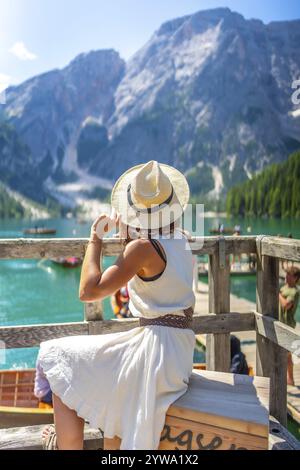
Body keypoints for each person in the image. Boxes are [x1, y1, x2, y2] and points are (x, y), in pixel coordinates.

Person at [34, 160, 196, 450]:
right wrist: (129, 243)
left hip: (155, 354)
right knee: (97, 371)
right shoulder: (182, 240)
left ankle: (66, 445)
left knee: (56, 355)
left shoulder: (143, 248)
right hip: (178, 352)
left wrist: (95, 239)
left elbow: (88, 291)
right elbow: (157, 278)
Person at [279, 266, 300, 386]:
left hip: (287, 325)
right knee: (284, 354)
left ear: (296, 278)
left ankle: (290, 379)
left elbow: (286, 305)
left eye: (289, 275)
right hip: (280, 323)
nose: (286, 276)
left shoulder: (295, 291)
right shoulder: (284, 288)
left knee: (286, 355)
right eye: (286, 274)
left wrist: (278, 294)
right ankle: (288, 379)